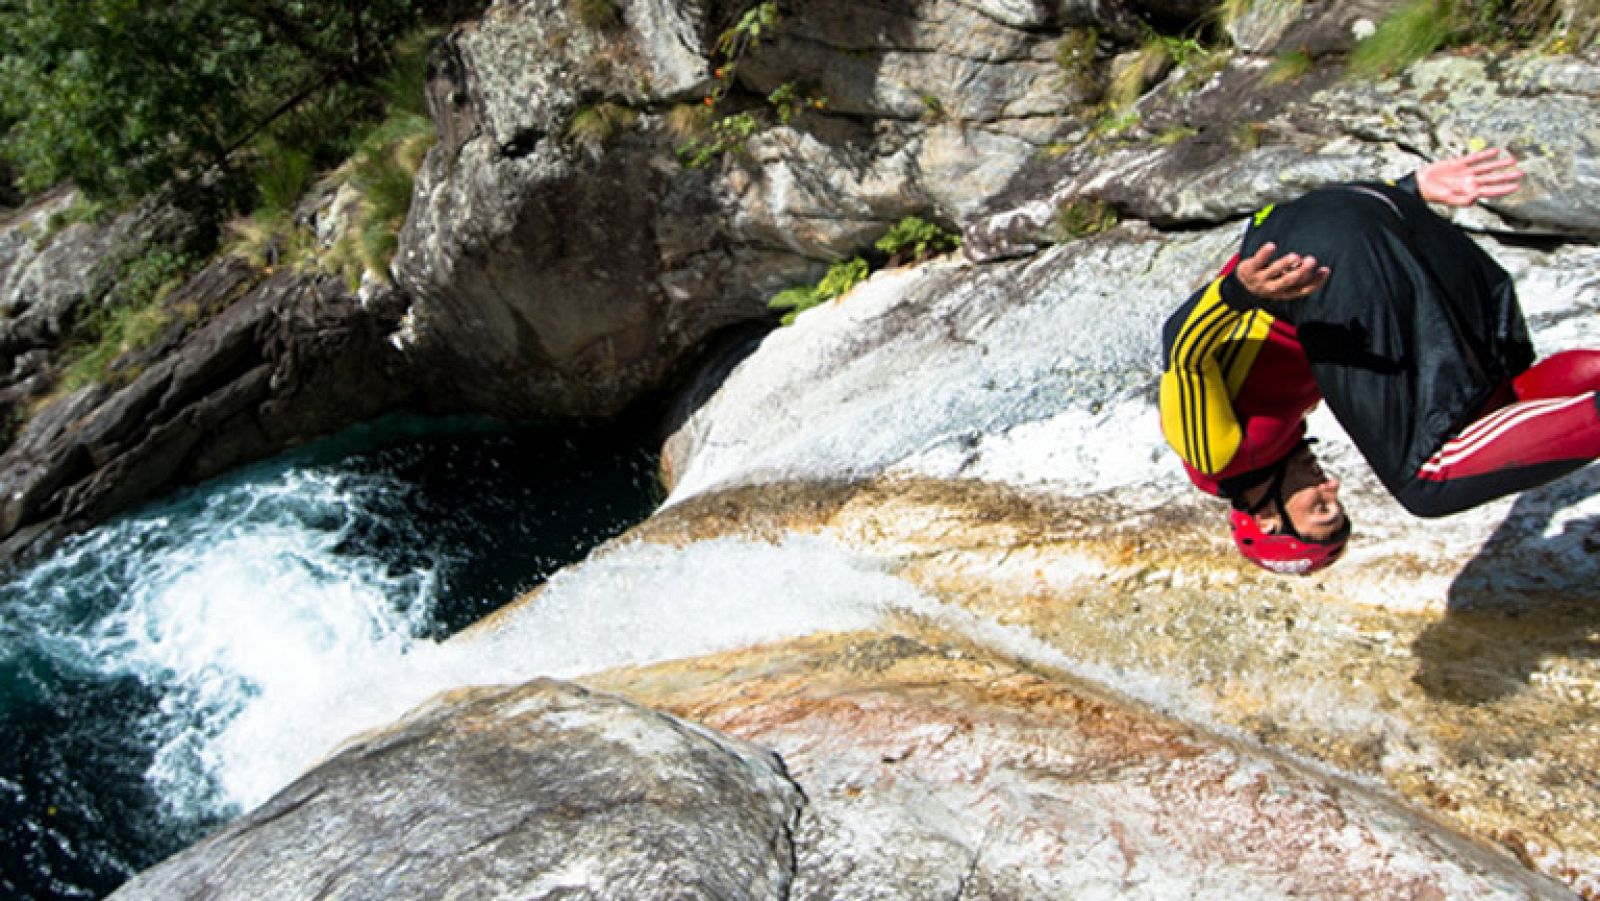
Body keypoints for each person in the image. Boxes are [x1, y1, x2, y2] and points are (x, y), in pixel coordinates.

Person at [1159, 148, 1600, 575]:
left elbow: (1181, 350)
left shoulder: (1212, 455)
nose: (1329, 486)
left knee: (1428, 483)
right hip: (1376, 213)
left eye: (1321, 508)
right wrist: (1409, 189)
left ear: (1267, 519)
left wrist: (1240, 292)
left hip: (1317, 264)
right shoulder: (1278, 438)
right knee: (1498, 397)